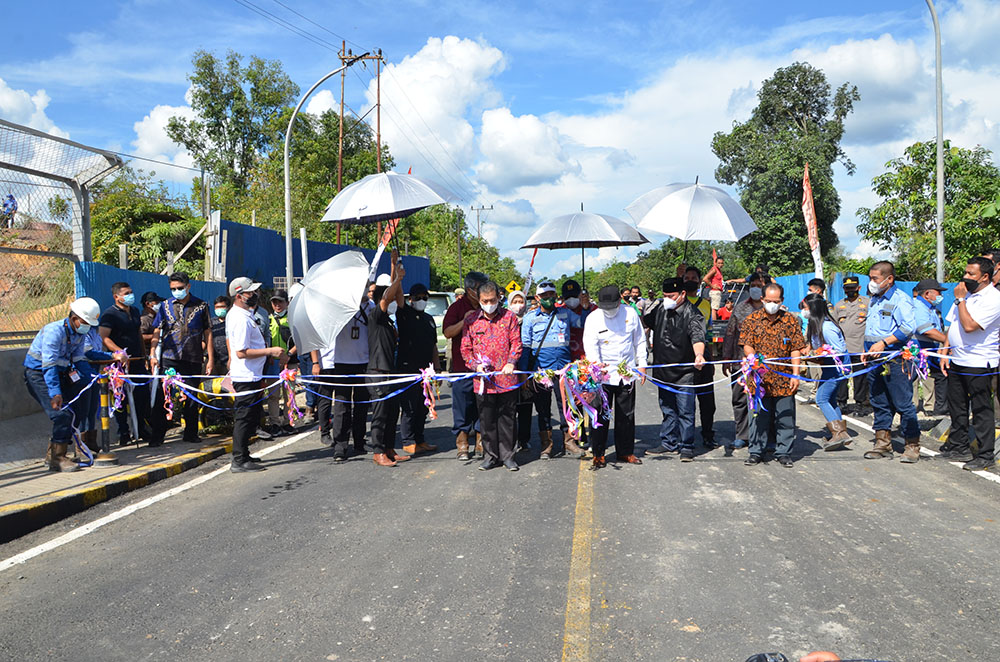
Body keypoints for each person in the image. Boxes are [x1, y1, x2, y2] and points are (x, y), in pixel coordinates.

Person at [23, 297, 125, 471]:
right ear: (74, 318)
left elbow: (79, 359)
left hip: (62, 373)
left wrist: (95, 374)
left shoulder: (79, 334)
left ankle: (55, 451)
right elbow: (49, 365)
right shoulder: (54, 332)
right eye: (85, 322)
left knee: (76, 411)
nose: (87, 326)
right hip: (39, 374)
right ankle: (58, 458)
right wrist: (55, 393)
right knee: (61, 414)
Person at [939, 257, 1000, 470]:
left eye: (970, 274)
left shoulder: (993, 299)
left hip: (979, 362)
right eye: (965, 272)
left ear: (985, 277)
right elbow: (954, 325)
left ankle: (985, 455)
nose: (965, 277)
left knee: (982, 410)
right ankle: (959, 446)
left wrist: (960, 301)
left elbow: (970, 326)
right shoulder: (966, 296)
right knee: (957, 406)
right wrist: (946, 350)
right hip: (958, 359)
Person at [739, 282, 806, 467]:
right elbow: (747, 343)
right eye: (768, 300)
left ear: (782, 301)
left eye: (775, 301)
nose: (771, 304)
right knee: (757, 417)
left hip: (784, 379)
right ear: (762, 299)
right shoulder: (752, 320)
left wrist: (796, 374)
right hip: (759, 379)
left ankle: (783, 451)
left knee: (785, 417)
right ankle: (756, 451)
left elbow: (796, 349)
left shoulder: (790, 320)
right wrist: (752, 358)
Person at [861, 261, 919, 462]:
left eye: (875, 279)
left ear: (889, 279)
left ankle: (911, 445)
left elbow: (908, 328)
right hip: (874, 359)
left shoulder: (900, 299)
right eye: (870, 278)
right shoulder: (874, 300)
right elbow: (873, 330)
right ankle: (883, 443)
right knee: (879, 401)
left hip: (894, 359)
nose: (872, 283)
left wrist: (884, 343)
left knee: (903, 403)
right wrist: (866, 349)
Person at [460, 281, 522, 471]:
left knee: (507, 419)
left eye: (493, 300)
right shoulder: (471, 321)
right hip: (483, 382)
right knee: (486, 421)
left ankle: (508, 456)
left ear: (499, 298)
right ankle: (490, 456)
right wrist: (475, 365)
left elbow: (516, 343)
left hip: (507, 380)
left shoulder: (509, 317)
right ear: (479, 300)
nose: (489, 303)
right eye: (485, 300)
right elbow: (465, 349)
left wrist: (511, 362)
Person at [226, 277, 286, 473]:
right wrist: (270, 352)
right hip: (245, 376)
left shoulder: (246, 315)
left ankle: (244, 453)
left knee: (251, 416)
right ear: (239, 295)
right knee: (244, 417)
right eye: (250, 293)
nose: (254, 295)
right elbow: (241, 352)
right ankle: (239, 459)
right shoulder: (240, 318)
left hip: (253, 374)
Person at [584, 285, 647, 468]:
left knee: (626, 415)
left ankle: (625, 452)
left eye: (612, 306)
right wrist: (596, 365)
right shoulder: (593, 318)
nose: (609, 311)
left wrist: (642, 364)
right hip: (602, 375)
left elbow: (639, 340)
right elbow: (590, 346)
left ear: (620, 301)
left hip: (626, 373)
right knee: (600, 416)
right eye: (606, 307)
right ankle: (598, 454)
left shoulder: (631, 314)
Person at [643, 278, 707, 461]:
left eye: (670, 296)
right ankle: (668, 442)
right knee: (667, 409)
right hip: (663, 370)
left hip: (684, 372)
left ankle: (687, 446)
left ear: (683, 294)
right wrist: (656, 303)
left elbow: (697, 335)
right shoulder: (661, 308)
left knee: (685, 410)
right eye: (664, 296)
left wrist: (699, 355)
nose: (667, 299)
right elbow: (646, 321)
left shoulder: (692, 313)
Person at [521, 280, 585, 459]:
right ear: (537, 298)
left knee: (566, 407)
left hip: (563, 370)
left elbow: (582, 323)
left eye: (551, 294)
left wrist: (585, 305)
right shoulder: (530, 318)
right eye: (544, 295)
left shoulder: (565, 313)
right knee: (543, 409)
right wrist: (525, 373)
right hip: (541, 371)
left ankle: (569, 441)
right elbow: (525, 347)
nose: (549, 298)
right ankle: (546, 444)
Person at [149, 272, 214, 445]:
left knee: (192, 395)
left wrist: (210, 358)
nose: (176, 291)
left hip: (193, 357)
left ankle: (191, 433)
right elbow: (157, 330)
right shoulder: (165, 305)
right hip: (169, 357)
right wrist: (152, 353)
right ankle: (158, 435)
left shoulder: (201, 306)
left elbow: (208, 332)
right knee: (163, 395)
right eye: (173, 289)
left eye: (179, 288)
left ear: (188, 286)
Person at [367, 254, 411, 467]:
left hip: (390, 371)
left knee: (393, 412)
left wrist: (395, 266)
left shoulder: (390, 322)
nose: (393, 301)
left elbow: (395, 296)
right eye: (388, 298)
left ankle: (389, 448)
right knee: (380, 414)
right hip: (377, 372)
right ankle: (378, 452)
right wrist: (398, 279)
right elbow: (387, 298)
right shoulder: (375, 316)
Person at [443, 271, 489, 460]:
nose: (484, 292)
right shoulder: (457, 307)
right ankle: (462, 442)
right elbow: (447, 332)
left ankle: (480, 440)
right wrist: (465, 321)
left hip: (484, 367)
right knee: (462, 406)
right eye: (480, 288)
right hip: (462, 368)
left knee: (483, 404)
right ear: (471, 290)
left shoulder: (488, 306)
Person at [98, 281, 151, 446]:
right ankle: (123, 431)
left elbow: (138, 334)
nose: (130, 296)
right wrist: (119, 352)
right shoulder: (109, 315)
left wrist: (144, 355)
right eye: (126, 293)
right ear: (116, 297)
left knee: (142, 395)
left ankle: (141, 427)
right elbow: (104, 337)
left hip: (137, 361)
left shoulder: (134, 311)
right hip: (119, 364)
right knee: (120, 397)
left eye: (131, 292)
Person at [330, 280, 376, 456]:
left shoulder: (371, 306)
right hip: (342, 361)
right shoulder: (341, 307)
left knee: (362, 405)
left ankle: (359, 441)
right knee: (341, 405)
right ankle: (340, 445)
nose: (366, 290)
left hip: (364, 362)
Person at [802, 293, 851, 451]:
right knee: (830, 400)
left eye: (805, 308)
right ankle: (840, 433)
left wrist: (820, 354)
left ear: (813, 309)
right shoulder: (816, 326)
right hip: (828, 366)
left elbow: (839, 351)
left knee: (821, 399)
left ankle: (839, 433)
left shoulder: (827, 327)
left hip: (837, 367)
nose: (803, 311)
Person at [722, 272, 766, 449]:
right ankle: (742, 434)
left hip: (766, 363)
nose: (755, 288)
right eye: (752, 285)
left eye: (759, 284)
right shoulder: (740, 308)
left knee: (764, 399)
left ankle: (764, 435)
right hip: (740, 362)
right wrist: (726, 357)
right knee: (740, 398)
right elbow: (730, 333)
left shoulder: (771, 308)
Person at [397, 282, 440, 456]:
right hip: (408, 368)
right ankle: (408, 441)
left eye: (425, 298)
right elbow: (398, 297)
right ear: (411, 299)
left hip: (426, 370)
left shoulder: (429, 319)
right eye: (418, 298)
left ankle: (420, 439)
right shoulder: (404, 313)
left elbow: (434, 346)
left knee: (424, 405)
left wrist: (437, 367)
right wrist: (397, 275)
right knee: (410, 406)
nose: (422, 300)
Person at [683, 265, 717, 448]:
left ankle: (708, 434)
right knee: (685, 402)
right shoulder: (678, 301)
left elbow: (709, 332)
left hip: (704, 358)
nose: (690, 280)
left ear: (699, 281)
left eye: (693, 277)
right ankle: (684, 437)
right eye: (686, 277)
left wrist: (710, 356)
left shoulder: (706, 304)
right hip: (683, 358)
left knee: (707, 402)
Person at [834, 276, 871, 415]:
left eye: (853, 288)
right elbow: (835, 325)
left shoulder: (867, 303)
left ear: (859, 288)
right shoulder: (838, 305)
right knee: (842, 376)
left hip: (860, 347)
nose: (850, 290)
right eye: (847, 288)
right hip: (843, 348)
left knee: (860, 377)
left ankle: (860, 403)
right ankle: (841, 402)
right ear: (843, 289)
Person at [911, 278, 948, 417]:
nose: (940, 296)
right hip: (917, 347)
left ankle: (935, 408)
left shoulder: (930, 307)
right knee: (914, 377)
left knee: (936, 376)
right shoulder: (918, 307)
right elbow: (926, 330)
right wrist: (947, 341)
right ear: (927, 294)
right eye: (938, 292)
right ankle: (911, 410)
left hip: (930, 347)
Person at [266, 290, 296, 435]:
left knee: (289, 393)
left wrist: (289, 355)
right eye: (274, 302)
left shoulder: (292, 319)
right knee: (273, 394)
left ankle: (288, 422)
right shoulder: (268, 319)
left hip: (289, 362)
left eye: (280, 302)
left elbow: (300, 340)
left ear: (287, 303)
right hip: (272, 363)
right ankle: (274, 423)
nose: (277, 305)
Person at [561, 279, 590, 360]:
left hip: (587, 357)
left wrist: (586, 309)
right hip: (566, 358)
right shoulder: (558, 312)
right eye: (568, 297)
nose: (571, 299)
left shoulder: (594, 309)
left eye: (574, 296)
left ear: (581, 294)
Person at [210, 296, 232, 374]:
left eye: (222, 307)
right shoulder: (211, 323)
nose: (219, 309)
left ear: (228, 307)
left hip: (228, 360)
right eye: (217, 307)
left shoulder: (233, 321)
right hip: (214, 361)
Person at [139, 291, 162, 357]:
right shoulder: (144, 319)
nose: (159, 304)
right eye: (157, 302)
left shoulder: (156, 317)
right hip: (148, 354)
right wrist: (158, 336)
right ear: (148, 304)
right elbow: (141, 337)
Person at [702, 255, 726, 319]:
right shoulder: (714, 270)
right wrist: (712, 285)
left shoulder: (718, 270)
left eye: (722, 263)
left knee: (715, 309)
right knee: (714, 309)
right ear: (715, 263)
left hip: (717, 292)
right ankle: (714, 325)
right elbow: (705, 278)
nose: (720, 264)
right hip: (715, 292)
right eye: (719, 263)